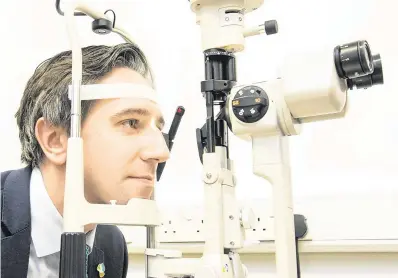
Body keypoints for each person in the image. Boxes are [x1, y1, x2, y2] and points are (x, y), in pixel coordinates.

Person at [1, 43, 170, 278]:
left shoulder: (111, 244)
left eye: (158, 129)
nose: (161, 152)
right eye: (131, 122)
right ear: (55, 140)